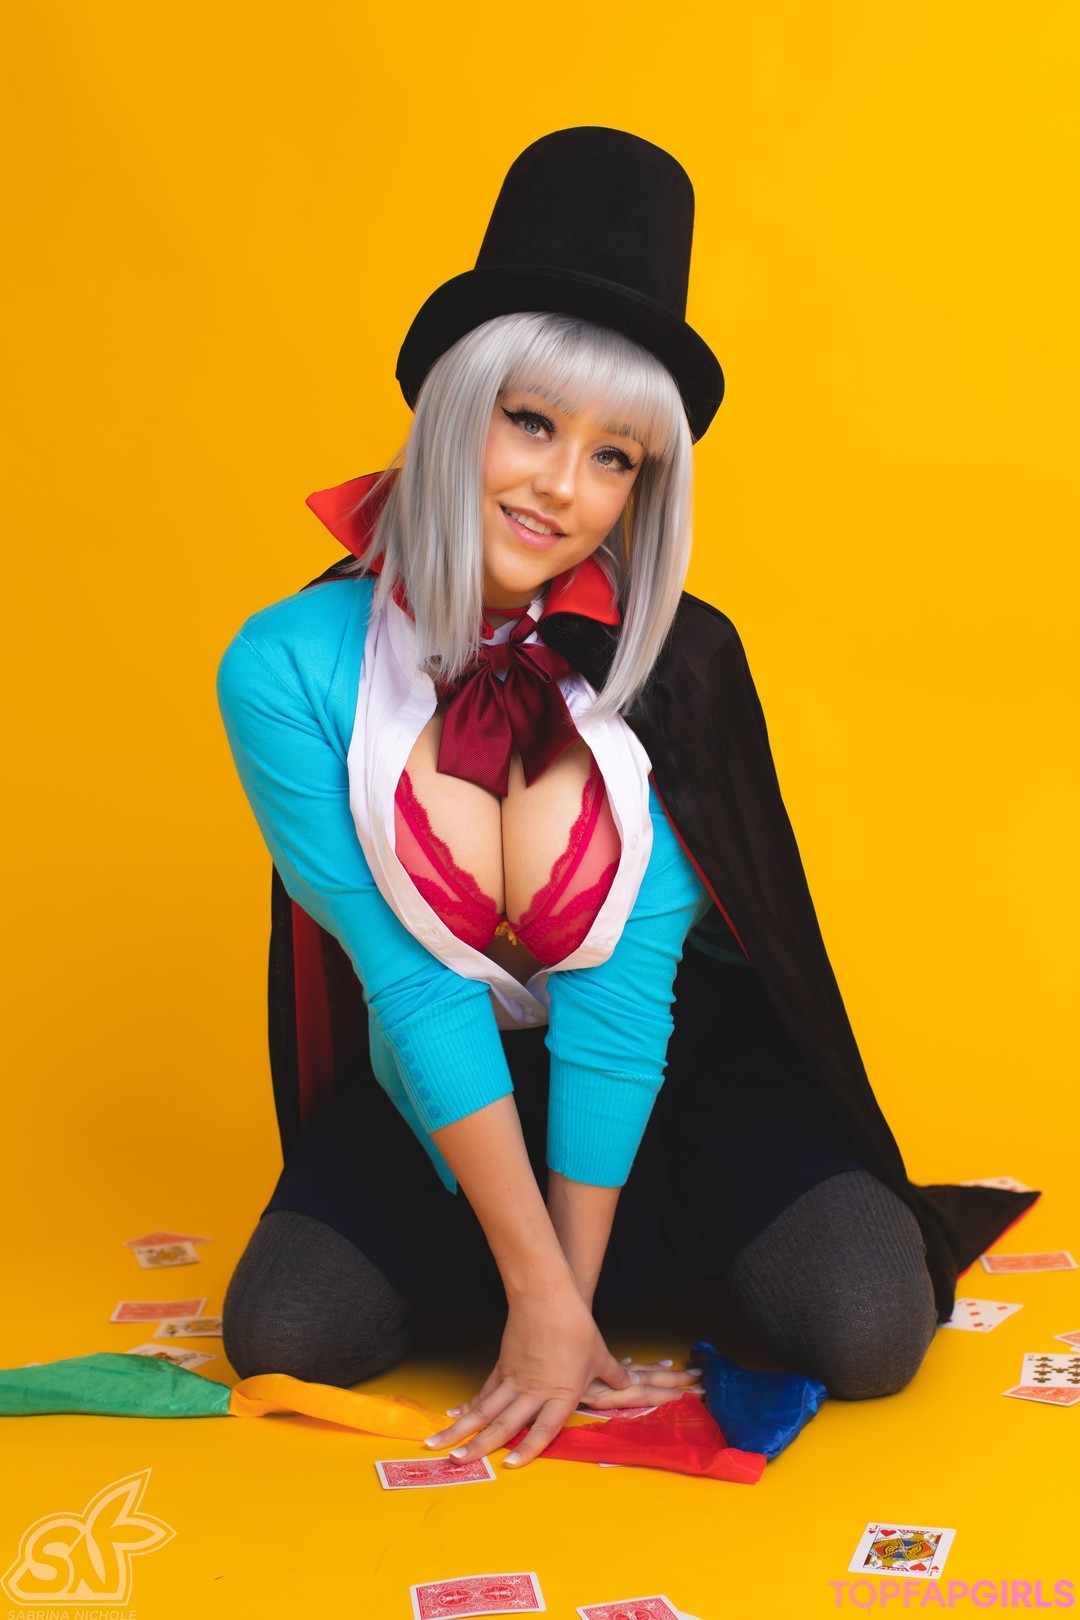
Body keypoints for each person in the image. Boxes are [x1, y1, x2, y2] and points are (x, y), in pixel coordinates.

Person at [215, 127, 1033, 1470]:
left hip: (673, 1084)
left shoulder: (676, 662)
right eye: (533, 421)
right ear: (458, 408)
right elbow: (405, 981)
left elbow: (626, 994)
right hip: (443, 1088)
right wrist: (537, 1295)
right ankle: (517, 1264)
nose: (562, 488)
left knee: (871, 1325)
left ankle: (606, 1270)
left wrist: (568, 1301)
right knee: (282, 1332)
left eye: (617, 457)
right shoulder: (289, 666)